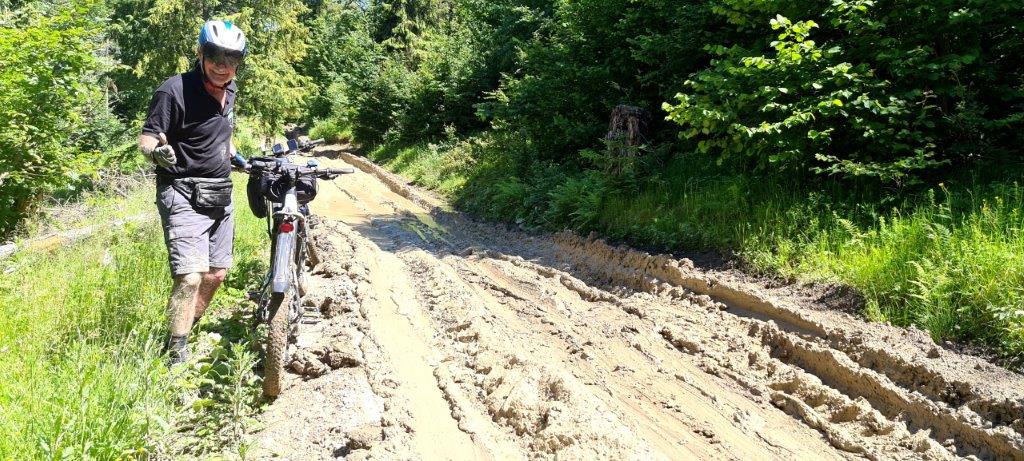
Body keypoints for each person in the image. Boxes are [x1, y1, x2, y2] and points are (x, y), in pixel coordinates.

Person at [138, 20, 248, 364]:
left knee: (215, 275)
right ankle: (175, 352)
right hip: (182, 191)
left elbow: (220, 132)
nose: (223, 65)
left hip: (220, 193)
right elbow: (147, 137)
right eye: (216, 55)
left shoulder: (230, 90)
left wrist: (234, 154)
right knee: (189, 276)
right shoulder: (173, 90)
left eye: (232, 59)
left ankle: (185, 325)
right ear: (201, 53)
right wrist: (156, 152)